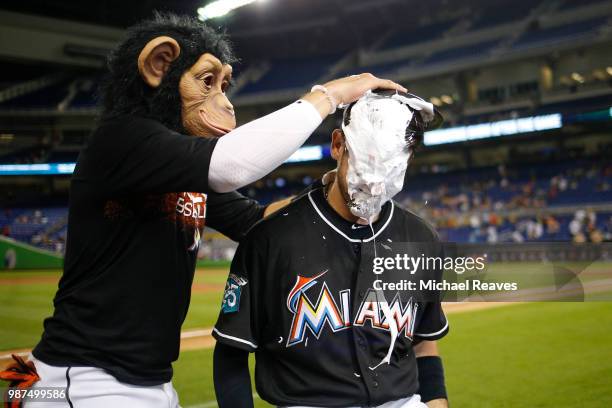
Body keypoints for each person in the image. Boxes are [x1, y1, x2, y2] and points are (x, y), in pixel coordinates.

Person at [0, 13, 406, 408]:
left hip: (148, 379)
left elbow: (258, 222)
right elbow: (231, 165)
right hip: (86, 375)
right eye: (207, 81)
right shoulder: (122, 138)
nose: (226, 104)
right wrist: (327, 96)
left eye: (225, 85)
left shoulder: (181, 172)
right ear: (159, 65)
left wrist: (340, 183)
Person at [213, 90, 449, 408]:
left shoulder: (420, 239)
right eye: (366, 164)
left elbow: (423, 343)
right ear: (338, 145)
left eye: (391, 167)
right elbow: (232, 352)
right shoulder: (272, 238)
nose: (375, 184)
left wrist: (437, 402)